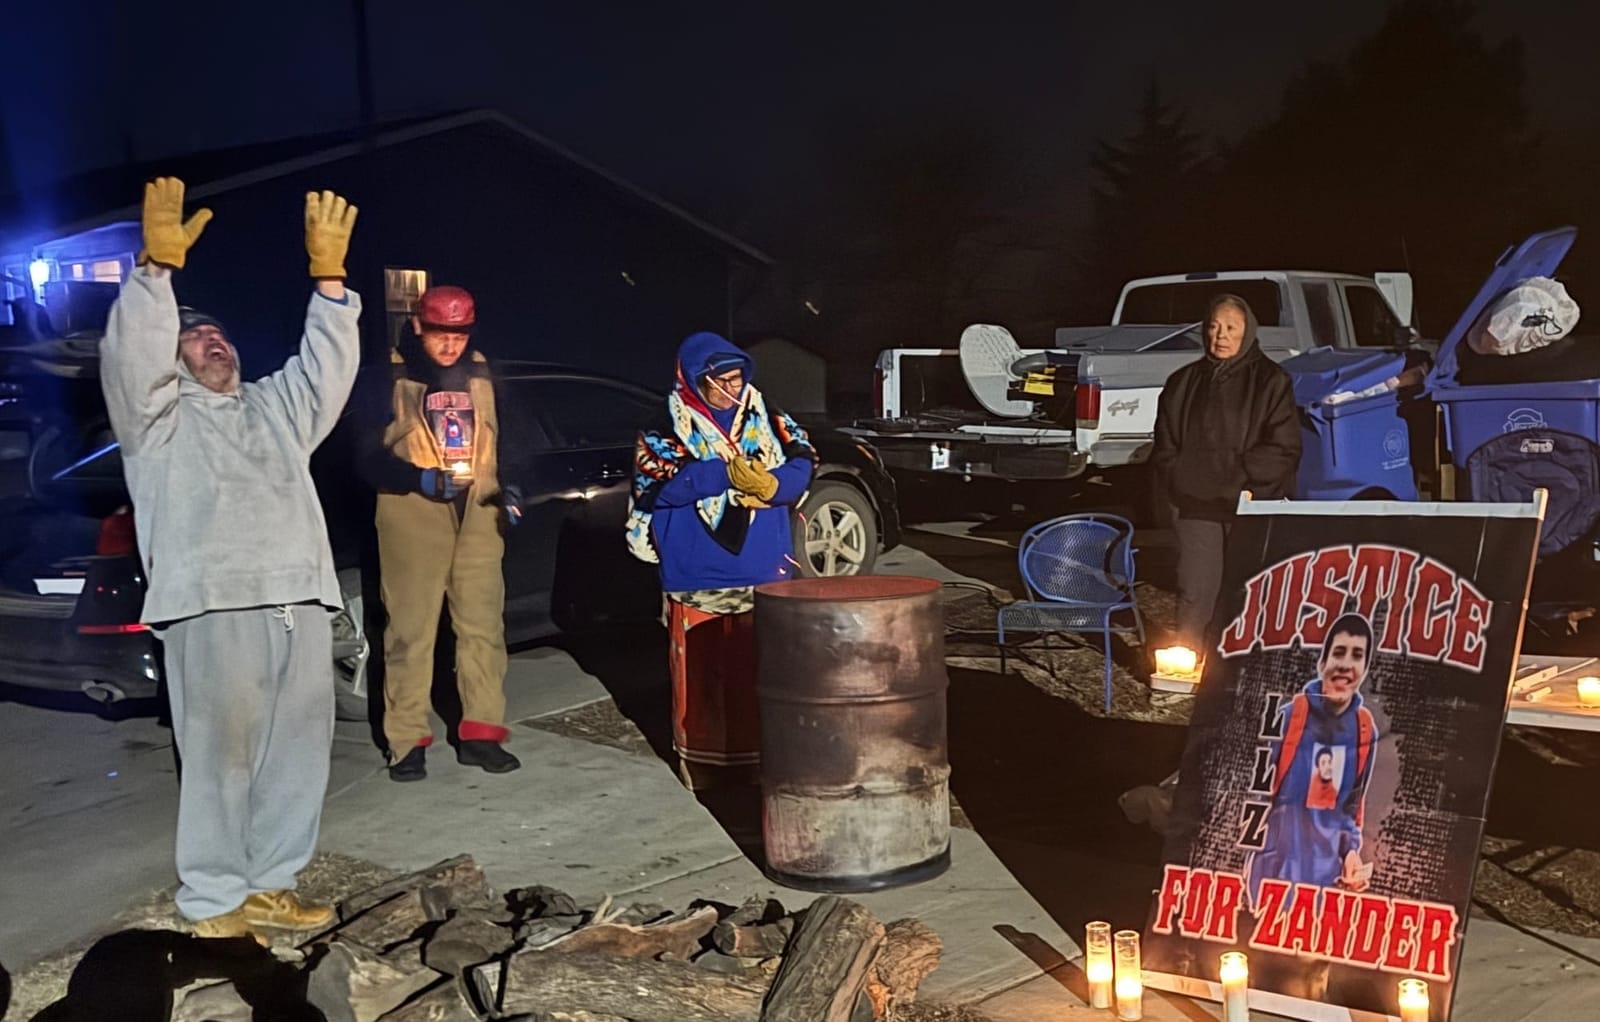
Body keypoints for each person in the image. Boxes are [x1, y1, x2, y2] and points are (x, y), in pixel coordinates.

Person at [100, 178, 361, 939]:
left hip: (299, 599)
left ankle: (270, 883)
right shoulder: (156, 423)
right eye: (193, 337)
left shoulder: (274, 408)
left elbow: (326, 371)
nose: (213, 342)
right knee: (221, 759)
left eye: (218, 334)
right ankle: (214, 901)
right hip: (213, 605)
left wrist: (330, 284)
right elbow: (130, 356)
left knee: (296, 757)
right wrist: (153, 276)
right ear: (171, 361)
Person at [626, 332, 815, 790]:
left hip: (764, 569)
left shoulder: (767, 415)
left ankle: (761, 768)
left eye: (736, 377)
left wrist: (776, 485)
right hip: (697, 574)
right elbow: (660, 482)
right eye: (720, 380)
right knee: (702, 680)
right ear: (695, 380)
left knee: (759, 677)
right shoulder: (664, 426)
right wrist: (722, 472)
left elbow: (803, 457)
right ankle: (707, 773)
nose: (731, 387)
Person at [355, 285, 524, 782]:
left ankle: (482, 734)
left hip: (478, 508)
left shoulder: (483, 372)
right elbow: (363, 456)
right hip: (412, 510)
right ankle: (406, 741)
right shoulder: (386, 375)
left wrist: (512, 488)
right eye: (439, 333)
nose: (449, 344)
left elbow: (515, 437)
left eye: (458, 333)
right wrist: (416, 477)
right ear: (418, 326)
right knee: (411, 630)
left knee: (483, 628)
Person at [1151, 293, 1301, 648]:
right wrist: (1182, 478)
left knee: (1247, 588)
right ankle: (1191, 662)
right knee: (1195, 589)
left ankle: (1238, 665)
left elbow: (1284, 447)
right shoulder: (1181, 383)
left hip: (1249, 505)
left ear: (1247, 332)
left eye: (1230, 327)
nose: (1220, 335)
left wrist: (1241, 481)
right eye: (1213, 326)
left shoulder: (1272, 382)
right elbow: (1165, 447)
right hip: (1194, 505)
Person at [1247, 613, 1380, 904]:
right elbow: (1256, 795)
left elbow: (1352, 807)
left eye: (1357, 655)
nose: (1346, 664)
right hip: (1275, 876)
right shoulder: (1287, 717)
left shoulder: (1364, 728)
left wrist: (1352, 853)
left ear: (1365, 670)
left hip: (1326, 886)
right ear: (1322, 663)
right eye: (1338, 652)